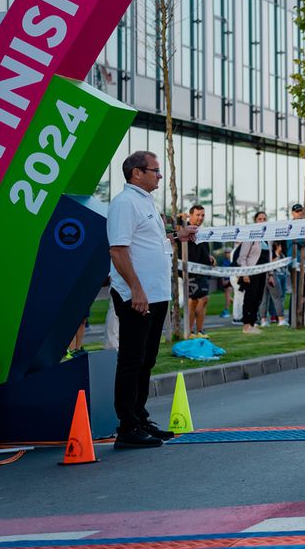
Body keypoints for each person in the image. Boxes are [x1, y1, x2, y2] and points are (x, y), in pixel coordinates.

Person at [107, 150, 197, 448]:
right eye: (155, 170)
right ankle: (127, 427)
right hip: (137, 297)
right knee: (132, 360)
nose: (159, 175)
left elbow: (148, 243)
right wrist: (136, 289)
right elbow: (118, 250)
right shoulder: (124, 203)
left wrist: (177, 236)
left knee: (147, 360)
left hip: (155, 295)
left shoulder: (146, 202)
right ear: (136, 173)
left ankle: (140, 417)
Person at [235, 211, 269, 334]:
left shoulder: (267, 237)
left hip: (263, 273)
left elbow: (268, 258)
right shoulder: (250, 235)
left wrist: (269, 275)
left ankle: (253, 323)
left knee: (258, 299)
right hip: (251, 272)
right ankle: (246, 325)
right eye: (260, 219)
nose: (262, 221)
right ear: (256, 221)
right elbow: (242, 257)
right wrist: (245, 273)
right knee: (250, 298)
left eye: (264, 218)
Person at [185, 205, 214, 337]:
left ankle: (199, 330)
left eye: (202, 215)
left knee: (203, 300)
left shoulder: (202, 231)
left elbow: (203, 251)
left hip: (203, 270)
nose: (200, 218)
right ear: (190, 215)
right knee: (194, 301)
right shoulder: (184, 229)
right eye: (198, 215)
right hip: (190, 271)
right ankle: (190, 331)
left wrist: (210, 258)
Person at [265, 241, 289, 326]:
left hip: (283, 276)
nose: (282, 247)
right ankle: (274, 315)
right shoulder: (273, 255)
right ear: (277, 246)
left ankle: (278, 315)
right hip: (276, 276)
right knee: (275, 297)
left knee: (282, 296)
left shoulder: (283, 255)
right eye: (280, 246)